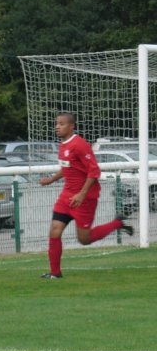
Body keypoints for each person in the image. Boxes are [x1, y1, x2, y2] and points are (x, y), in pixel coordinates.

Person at [38, 113, 133, 279]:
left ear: (71, 126)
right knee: (54, 231)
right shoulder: (63, 145)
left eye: (61, 124)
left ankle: (117, 223)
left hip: (85, 198)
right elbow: (68, 167)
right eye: (56, 124)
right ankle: (55, 273)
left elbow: (94, 171)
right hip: (67, 196)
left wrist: (81, 195)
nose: (57, 127)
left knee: (84, 239)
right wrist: (52, 179)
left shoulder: (80, 145)